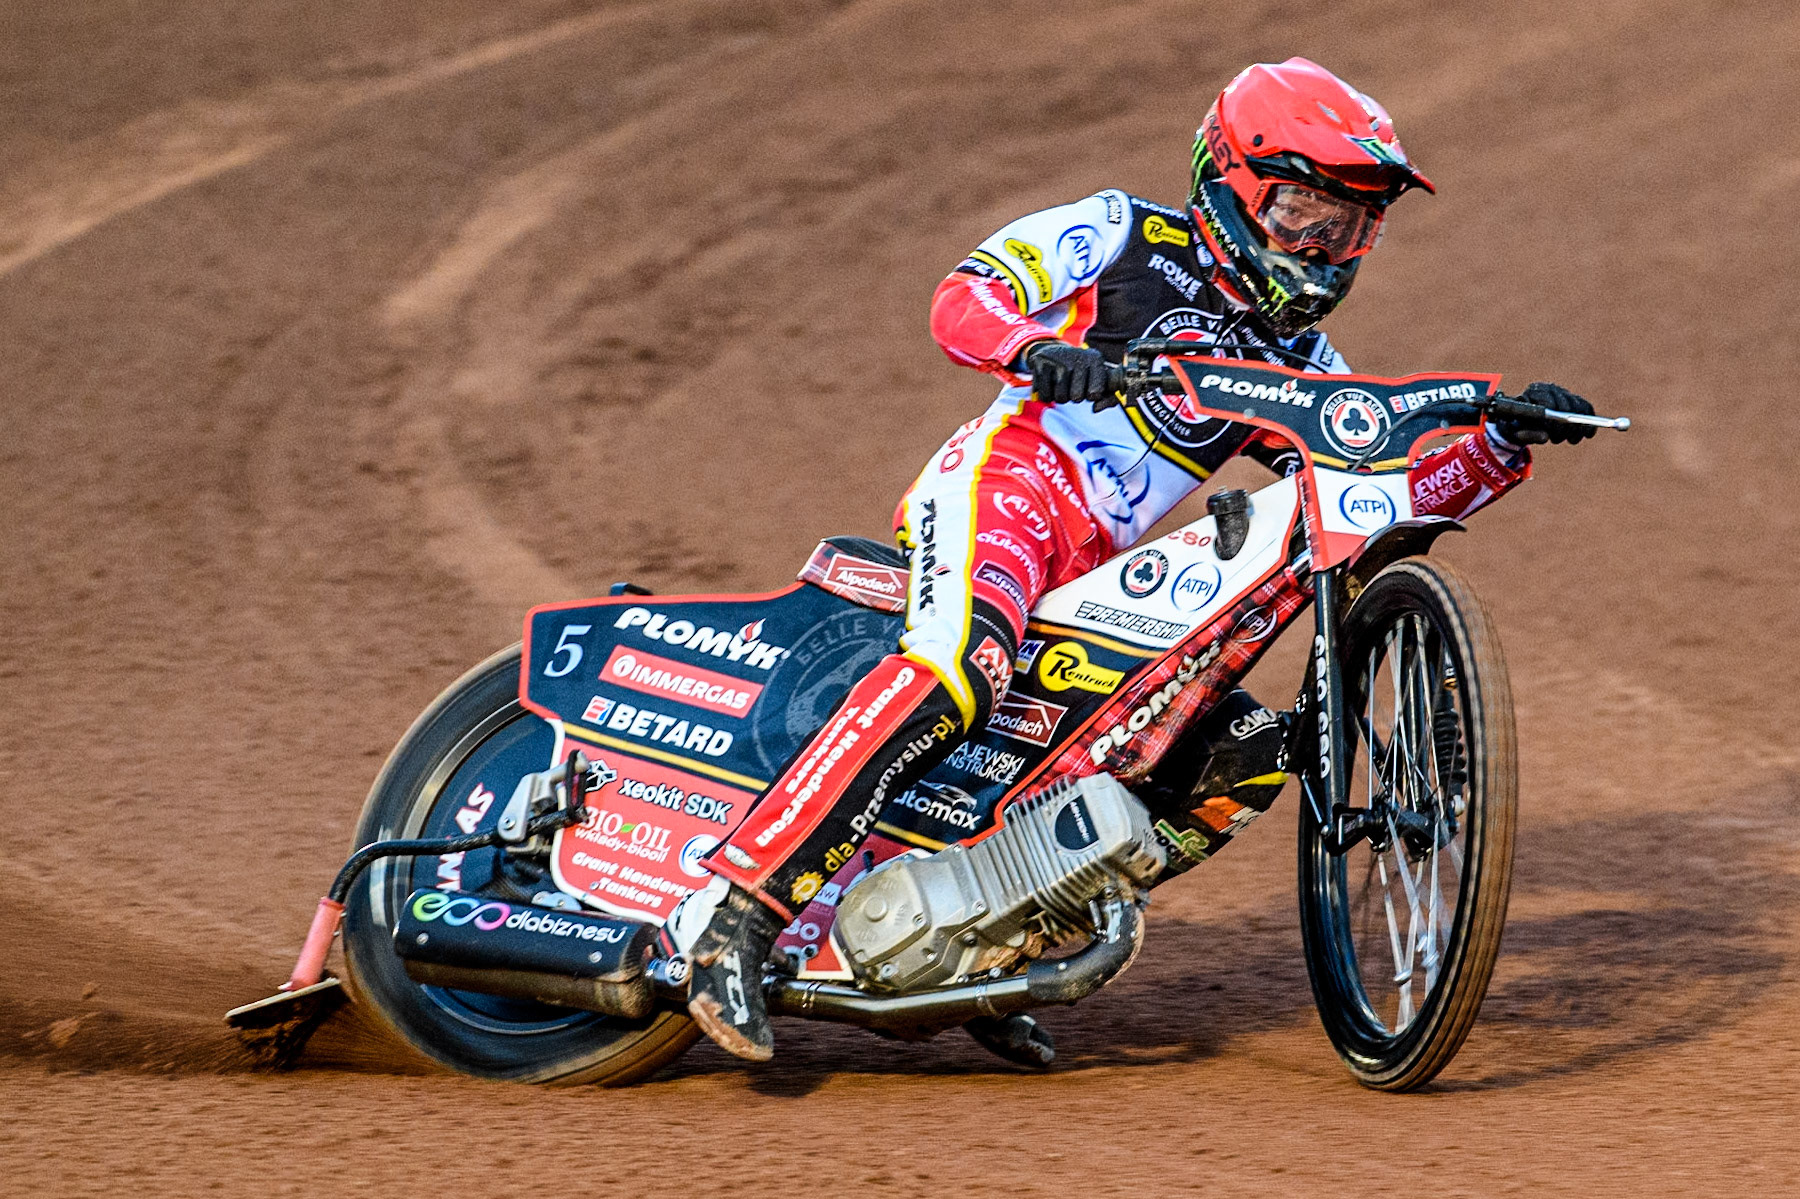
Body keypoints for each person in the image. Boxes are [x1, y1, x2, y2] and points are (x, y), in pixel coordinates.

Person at [677, 56, 1594, 1061]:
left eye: (1349, 226)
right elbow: (963, 297)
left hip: (1096, 564)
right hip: (1007, 488)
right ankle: (739, 912)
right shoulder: (1123, 233)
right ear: (1229, 182)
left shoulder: (1303, 368)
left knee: (1226, 756)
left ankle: (981, 951)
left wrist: (1497, 449)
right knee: (960, 669)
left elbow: (1372, 511)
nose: (1325, 248)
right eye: (1302, 214)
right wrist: (1034, 350)